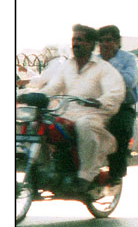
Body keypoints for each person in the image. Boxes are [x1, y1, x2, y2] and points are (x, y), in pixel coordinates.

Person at [39, 24, 125, 193]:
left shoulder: (103, 68)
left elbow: (116, 92)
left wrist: (99, 101)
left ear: (92, 44)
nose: (75, 43)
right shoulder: (67, 66)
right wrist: (38, 96)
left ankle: (85, 176)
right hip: (67, 114)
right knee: (39, 123)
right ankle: (44, 170)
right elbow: (53, 87)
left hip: (93, 115)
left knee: (84, 125)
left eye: (80, 40)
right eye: (74, 39)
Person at [98, 25, 138, 184]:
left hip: (122, 107)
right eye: (101, 41)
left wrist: (110, 64)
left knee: (119, 129)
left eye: (108, 40)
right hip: (97, 106)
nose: (104, 44)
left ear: (117, 42)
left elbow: (129, 81)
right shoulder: (95, 60)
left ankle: (115, 175)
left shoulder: (128, 59)